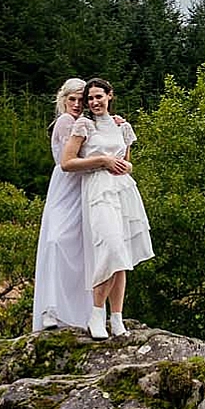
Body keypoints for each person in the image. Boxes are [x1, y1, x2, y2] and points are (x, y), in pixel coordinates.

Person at [58, 78, 153, 338]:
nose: (94, 102)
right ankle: (96, 314)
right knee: (110, 247)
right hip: (98, 189)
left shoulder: (123, 127)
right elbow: (67, 163)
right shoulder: (84, 125)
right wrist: (101, 160)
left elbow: (127, 162)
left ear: (110, 96)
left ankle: (117, 318)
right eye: (90, 98)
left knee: (122, 255)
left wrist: (125, 166)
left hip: (123, 190)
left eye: (99, 96)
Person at [31, 79, 102, 332]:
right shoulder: (65, 122)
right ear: (63, 100)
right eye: (71, 99)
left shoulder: (86, 123)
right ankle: (52, 308)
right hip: (66, 184)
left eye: (80, 100)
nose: (76, 104)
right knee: (57, 241)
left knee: (79, 247)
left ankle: (76, 311)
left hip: (82, 184)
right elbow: (68, 160)